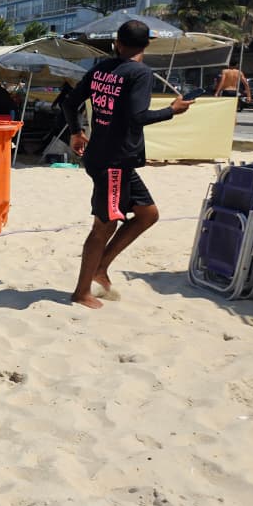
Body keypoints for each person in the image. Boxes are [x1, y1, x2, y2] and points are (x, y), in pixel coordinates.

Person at [61, 20, 192, 309]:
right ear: (147, 45)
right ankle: (81, 292)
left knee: (148, 214)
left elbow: (69, 103)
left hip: (110, 158)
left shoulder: (100, 69)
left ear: (117, 42)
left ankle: (101, 267)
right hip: (114, 162)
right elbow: (137, 118)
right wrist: (172, 110)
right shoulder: (140, 73)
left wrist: (75, 131)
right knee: (103, 227)